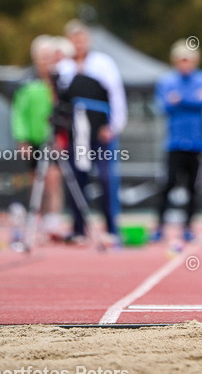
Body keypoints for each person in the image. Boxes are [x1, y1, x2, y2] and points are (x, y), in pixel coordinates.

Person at [55, 21, 127, 243]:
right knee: (77, 180)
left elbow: (116, 95)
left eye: (81, 38)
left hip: (101, 132)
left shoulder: (103, 64)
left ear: (88, 40)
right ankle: (79, 229)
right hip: (77, 134)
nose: (78, 43)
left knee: (106, 178)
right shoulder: (63, 68)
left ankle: (112, 228)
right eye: (73, 39)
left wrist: (113, 125)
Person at [154, 39, 202, 242]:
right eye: (181, 60)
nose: (185, 64)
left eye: (188, 60)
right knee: (167, 184)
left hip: (198, 143)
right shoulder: (167, 81)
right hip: (174, 143)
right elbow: (165, 105)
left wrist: (181, 100)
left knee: (193, 188)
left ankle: (188, 227)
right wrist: (191, 101)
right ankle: (159, 226)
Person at [10, 36, 64, 238]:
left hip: (54, 139)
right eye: (42, 57)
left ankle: (53, 220)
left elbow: (64, 112)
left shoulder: (60, 83)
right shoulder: (26, 83)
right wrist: (22, 138)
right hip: (33, 139)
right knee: (36, 180)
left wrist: (61, 136)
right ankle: (36, 219)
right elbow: (19, 113)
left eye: (49, 56)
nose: (45, 61)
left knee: (53, 178)